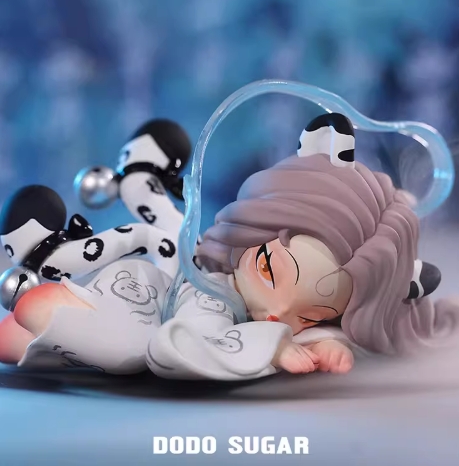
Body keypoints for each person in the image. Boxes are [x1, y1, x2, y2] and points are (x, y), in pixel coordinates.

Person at [1, 113, 457, 380]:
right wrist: (274, 346)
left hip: (167, 278)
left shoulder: (257, 310)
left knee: (147, 256)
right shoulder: (213, 295)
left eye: (311, 315)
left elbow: (316, 326)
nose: (277, 314)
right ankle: (63, 241)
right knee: (128, 324)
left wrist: (323, 340)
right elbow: (181, 346)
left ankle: (41, 310)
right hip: (159, 285)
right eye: (269, 268)